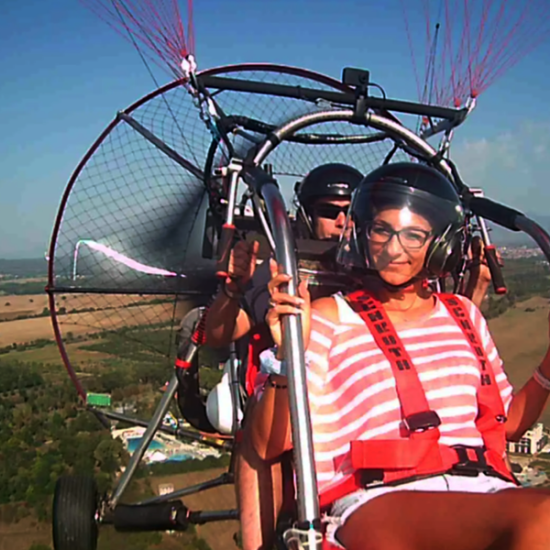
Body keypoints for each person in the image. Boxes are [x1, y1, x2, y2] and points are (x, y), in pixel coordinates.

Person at [254, 162, 550, 550]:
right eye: (382, 230)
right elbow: (267, 446)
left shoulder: (465, 314)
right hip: (375, 498)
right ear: (363, 234)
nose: (394, 248)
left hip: (484, 489)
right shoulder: (327, 316)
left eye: (413, 235)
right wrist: (286, 354)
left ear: (439, 244)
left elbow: (505, 425)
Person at [205, 163, 365, 550]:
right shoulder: (278, 267)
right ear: (308, 215)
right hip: (293, 390)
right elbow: (218, 334)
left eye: (352, 212)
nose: (342, 221)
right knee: (268, 444)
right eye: (330, 211)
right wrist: (232, 292)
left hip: (356, 390)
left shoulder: (377, 269)